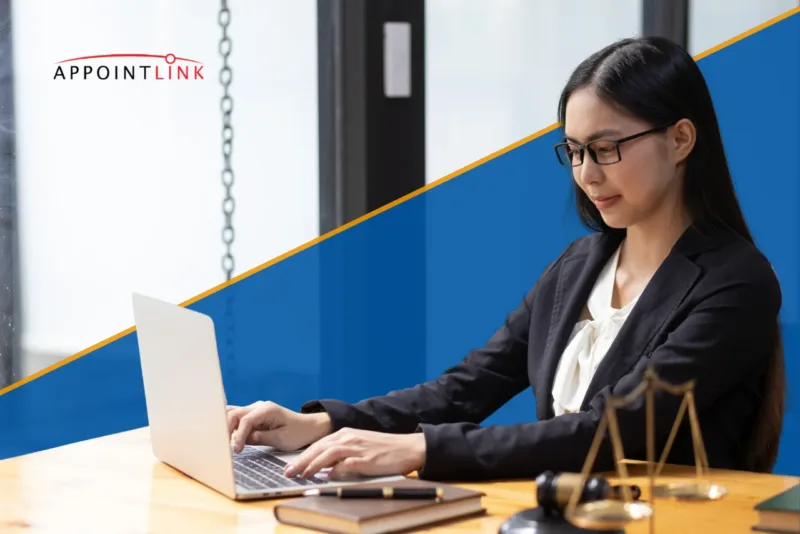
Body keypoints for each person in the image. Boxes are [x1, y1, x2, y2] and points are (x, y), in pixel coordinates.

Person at [226, 36, 785, 482]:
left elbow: (610, 431)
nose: (587, 174)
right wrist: (322, 423)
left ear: (681, 139)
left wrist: (419, 449)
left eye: (607, 148)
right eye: (574, 151)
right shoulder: (579, 265)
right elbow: (468, 385)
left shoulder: (735, 283)